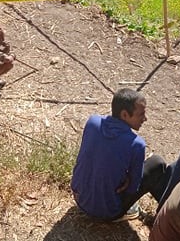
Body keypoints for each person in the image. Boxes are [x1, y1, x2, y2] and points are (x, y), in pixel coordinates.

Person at [70, 89, 171, 222]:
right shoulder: (136, 144)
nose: (145, 119)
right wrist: (129, 178)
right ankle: (169, 215)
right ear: (124, 114)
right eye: (141, 114)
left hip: (79, 199)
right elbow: (132, 188)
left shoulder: (92, 122)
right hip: (108, 212)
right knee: (158, 163)